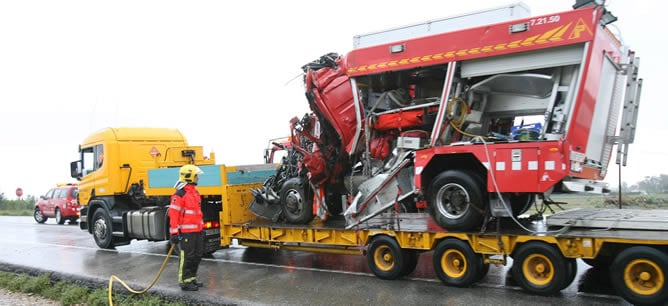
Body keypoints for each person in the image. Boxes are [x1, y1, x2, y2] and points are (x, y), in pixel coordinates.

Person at [168, 164, 205, 291]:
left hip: (197, 231)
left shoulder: (195, 193)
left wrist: (201, 228)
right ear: (189, 177)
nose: (198, 178)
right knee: (187, 257)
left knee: (197, 255)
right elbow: (174, 215)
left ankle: (191, 279)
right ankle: (184, 281)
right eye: (196, 176)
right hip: (186, 233)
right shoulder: (179, 195)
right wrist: (174, 233)